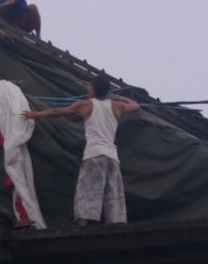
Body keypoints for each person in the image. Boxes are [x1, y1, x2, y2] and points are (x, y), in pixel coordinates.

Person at [20, 73, 139, 226]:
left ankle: (83, 219)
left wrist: (36, 114)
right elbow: (136, 106)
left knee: (88, 187)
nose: (88, 87)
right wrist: (122, 98)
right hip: (112, 156)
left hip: (94, 152)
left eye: (90, 85)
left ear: (94, 89)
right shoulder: (117, 106)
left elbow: (58, 112)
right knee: (113, 192)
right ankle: (117, 222)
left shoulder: (86, 104)